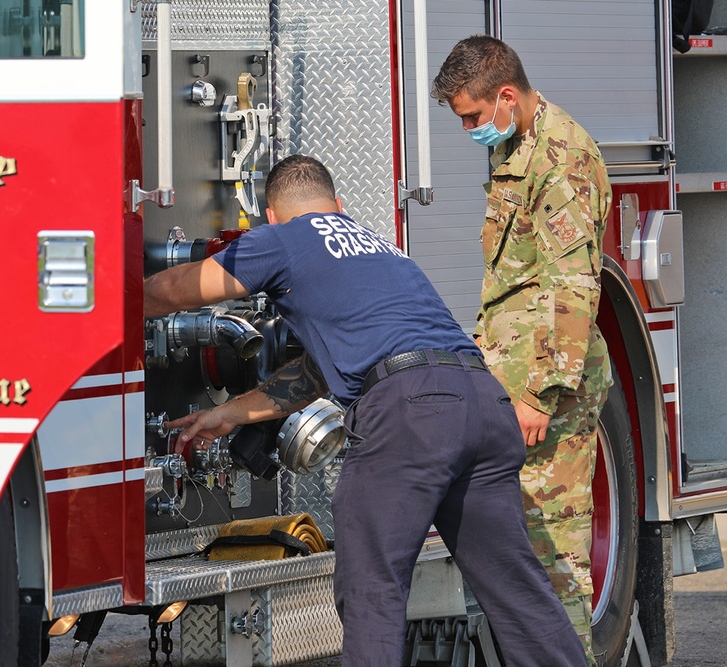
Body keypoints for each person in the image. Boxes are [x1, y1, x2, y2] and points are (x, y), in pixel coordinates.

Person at [143, 154, 586, 665]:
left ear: (270, 215)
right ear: (338, 205)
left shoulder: (282, 238)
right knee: (517, 590)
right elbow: (315, 373)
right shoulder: (381, 248)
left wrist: (103, 292)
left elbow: (175, 290)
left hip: (410, 413)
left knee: (372, 590)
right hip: (482, 401)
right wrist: (231, 414)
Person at [432, 35, 614, 662]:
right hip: (518, 382)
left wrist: (539, 392)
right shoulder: (517, 144)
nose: (469, 130)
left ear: (506, 95)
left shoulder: (559, 159)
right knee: (522, 549)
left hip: (550, 395)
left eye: (473, 116)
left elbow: (572, 286)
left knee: (551, 553)